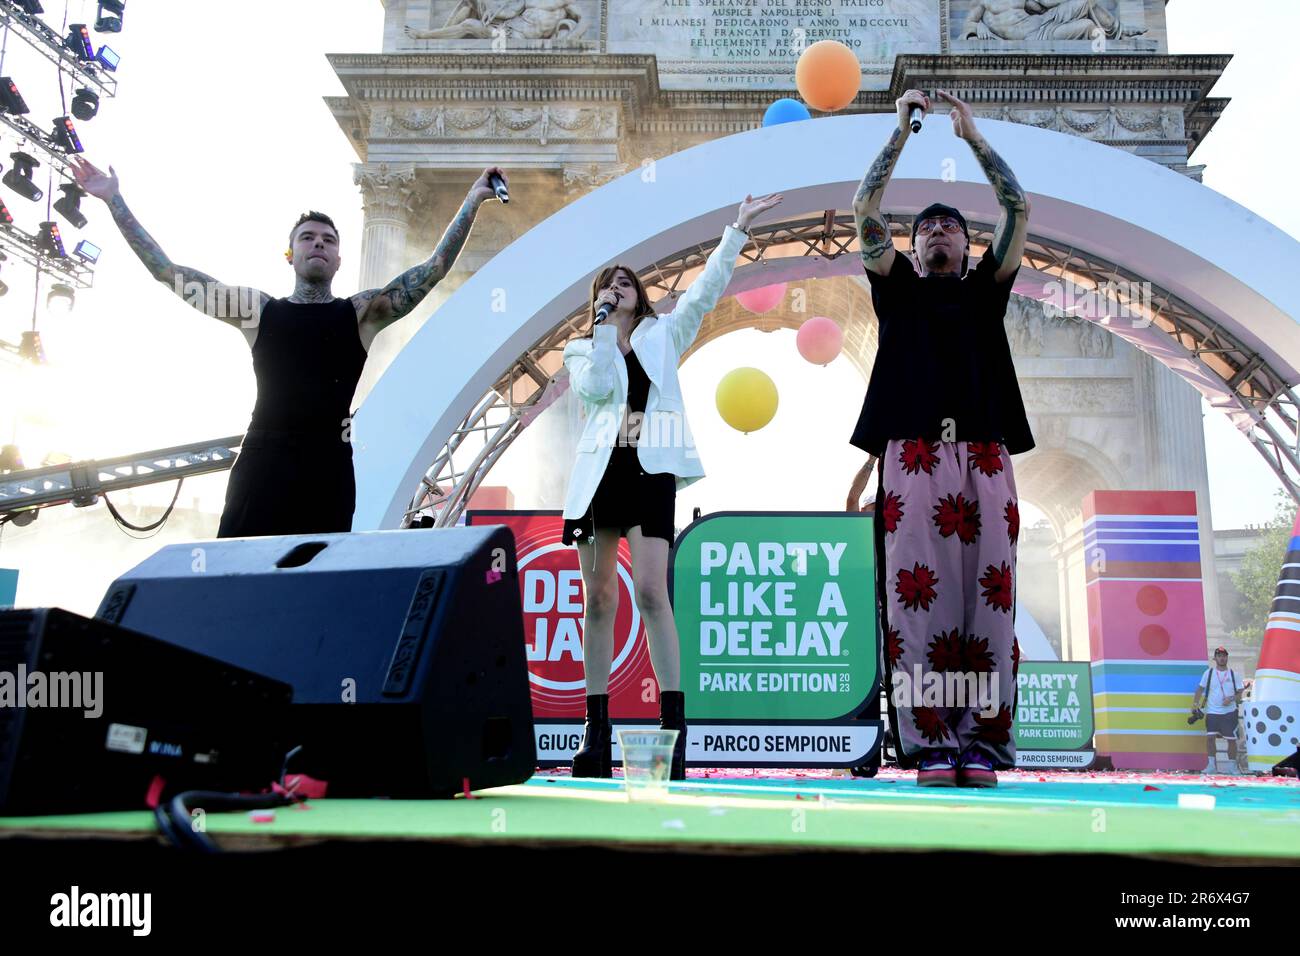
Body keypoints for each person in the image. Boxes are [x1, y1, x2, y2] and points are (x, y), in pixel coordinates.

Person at [70, 156, 507, 538]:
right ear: (290, 255)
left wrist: (473, 199)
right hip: (263, 460)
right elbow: (168, 271)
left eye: (328, 240)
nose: (318, 242)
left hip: (329, 465)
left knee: (317, 581)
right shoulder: (257, 311)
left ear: (338, 260)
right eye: (308, 237)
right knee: (241, 576)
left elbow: (432, 270)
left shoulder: (361, 313)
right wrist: (114, 200)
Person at [561, 192, 783, 779]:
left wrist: (735, 230)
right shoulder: (582, 347)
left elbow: (706, 291)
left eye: (625, 282)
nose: (617, 287)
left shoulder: (665, 333)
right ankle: (595, 732)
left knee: (653, 593)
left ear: (641, 291)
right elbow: (597, 389)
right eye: (607, 284)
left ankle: (673, 731)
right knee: (599, 598)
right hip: (602, 472)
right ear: (598, 300)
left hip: (650, 469)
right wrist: (605, 331)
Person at [849, 88, 1033, 788]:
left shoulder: (989, 288)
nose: (936, 234)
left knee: (990, 601)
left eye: (949, 226)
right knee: (916, 604)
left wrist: (974, 139)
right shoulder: (895, 288)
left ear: (967, 242)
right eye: (924, 229)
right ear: (914, 247)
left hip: (985, 452)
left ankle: (982, 742)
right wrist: (900, 135)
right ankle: (930, 743)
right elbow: (868, 213)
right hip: (914, 451)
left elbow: (1018, 209)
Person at [1192, 646, 1245, 774]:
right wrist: (1195, 704)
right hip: (1212, 712)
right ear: (1215, 658)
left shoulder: (1234, 674)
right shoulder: (1209, 673)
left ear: (1227, 657)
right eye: (1219, 656)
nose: (1222, 658)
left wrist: (1231, 698)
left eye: (1224, 656)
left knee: (1231, 740)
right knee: (1210, 739)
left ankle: (1232, 767)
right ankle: (1211, 766)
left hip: (1229, 713)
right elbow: (1200, 689)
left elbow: (1240, 693)